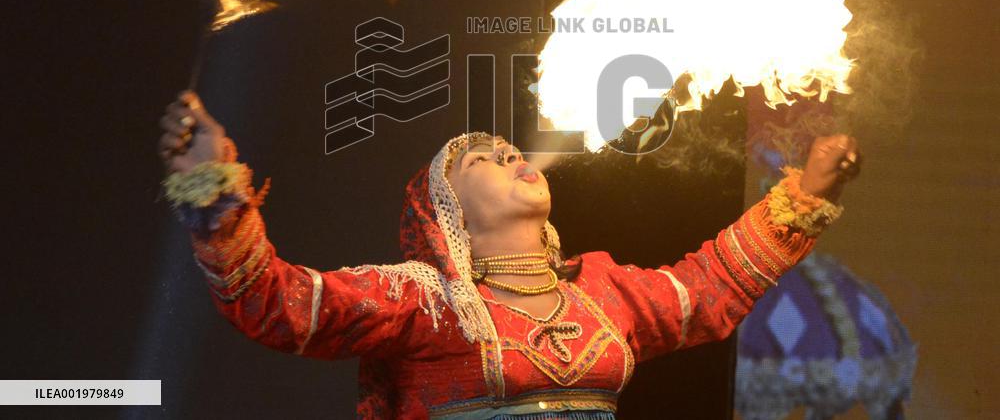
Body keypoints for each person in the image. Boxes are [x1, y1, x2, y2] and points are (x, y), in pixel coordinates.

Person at [157, 90, 861, 419]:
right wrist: (214, 193)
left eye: (510, 147)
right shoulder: (426, 301)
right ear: (448, 213)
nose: (510, 153)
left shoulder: (606, 293)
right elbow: (279, 304)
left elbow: (710, 288)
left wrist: (806, 192)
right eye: (482, 161)